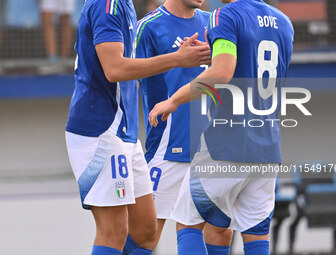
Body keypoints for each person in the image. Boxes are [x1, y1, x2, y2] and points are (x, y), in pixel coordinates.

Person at [65, 0, 210, 254]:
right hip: (100, 129)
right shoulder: (107, 4)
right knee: (114, 231)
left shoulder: (125, 5)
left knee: (145, 230)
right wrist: (177, 59)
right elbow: (114, 69)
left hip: (124, 133)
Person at [148, 0, 294, 254]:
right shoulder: (284, 21)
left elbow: (221, 73)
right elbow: (253, 61)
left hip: (227, 143)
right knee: (256, 233)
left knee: (189, 223)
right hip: (268, 146)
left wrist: (173, 100)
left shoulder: (223, 16)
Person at [132, 0, 212, 253]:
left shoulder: (214, 22)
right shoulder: (148, 27)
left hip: (213, 148)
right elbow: (127, 85)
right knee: (145, 236)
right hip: (168, 147)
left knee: (216, 234)